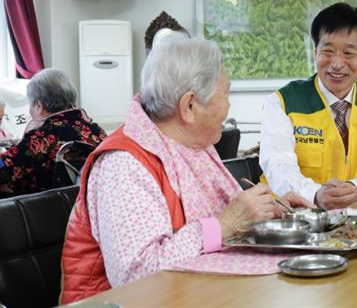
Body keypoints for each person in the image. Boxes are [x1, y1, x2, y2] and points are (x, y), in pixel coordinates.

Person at [60, 36, 312, 303]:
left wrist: (271, 211)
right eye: (225, 94)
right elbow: (137, 274)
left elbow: (230, 218)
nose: (228, 106)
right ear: (189, 106)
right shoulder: (123, 164)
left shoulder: (192, 143)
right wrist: (226, 224)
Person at [260, 2, 357, 210]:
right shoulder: (282, 102)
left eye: (348, 53)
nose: (336, 63)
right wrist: (315, 194)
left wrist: (355, 187)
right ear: (315, 51)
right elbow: (277, 165)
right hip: (292, 219)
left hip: (356, 221)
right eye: (327, 51)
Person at [0, 68, 106, 195]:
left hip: (47, 209)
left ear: (38, 105)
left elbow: (4, 168)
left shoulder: (42, 137)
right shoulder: (96, 130)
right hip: (89, 204)